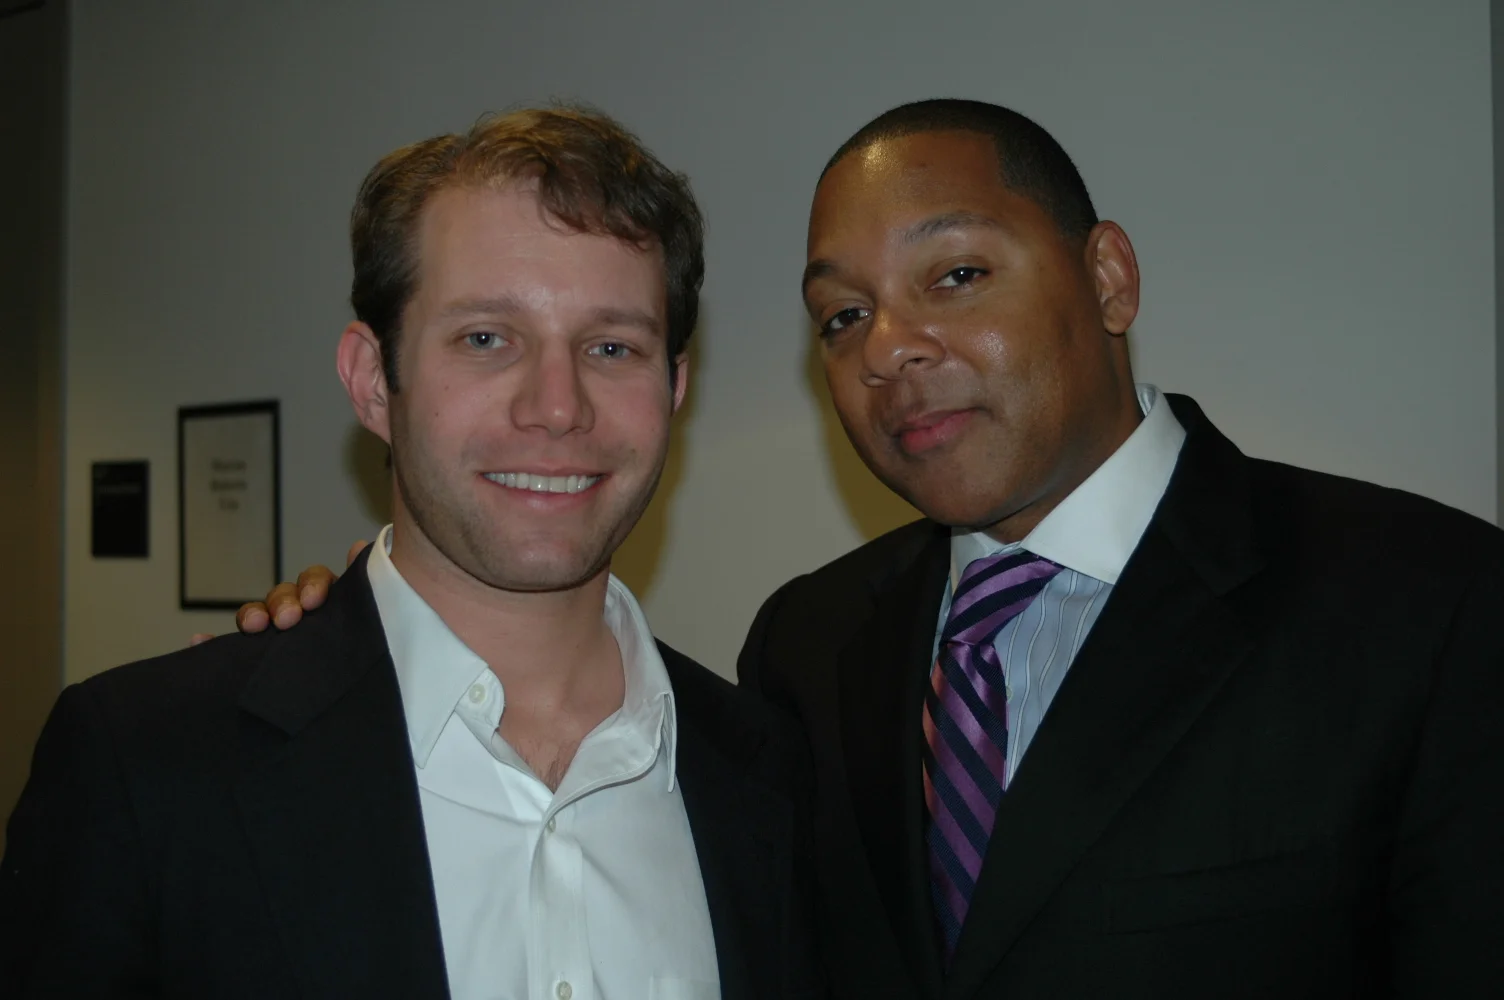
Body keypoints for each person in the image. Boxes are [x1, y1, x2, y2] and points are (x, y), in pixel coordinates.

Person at [232, 99, 1504, 998]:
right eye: (842, 314)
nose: (887, 345)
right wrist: (355, 638)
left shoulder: (1424, 607)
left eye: (953, 275)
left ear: (1107, 277)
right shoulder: (807, 648)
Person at [0, 107, 823, 1000]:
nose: (557, 406)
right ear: (371, 381)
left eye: (612, 346)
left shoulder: (772, 771)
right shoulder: (147, 763)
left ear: (673, 389)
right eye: (485, 339)